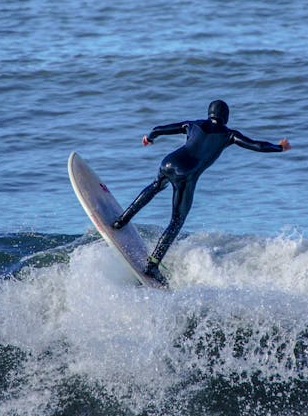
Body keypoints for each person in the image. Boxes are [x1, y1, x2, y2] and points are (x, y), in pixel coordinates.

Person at [113, 100, 291, 283]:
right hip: (186, 174)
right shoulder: (229, 135)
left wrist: (149, 137)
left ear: (209, 113)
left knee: (155, 186)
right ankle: (152, 265)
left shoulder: (192, 124)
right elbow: (257, 145)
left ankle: (121, 221)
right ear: (226, 117)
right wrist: (280, 147)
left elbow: (159, 128)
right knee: (176, 221)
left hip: (169, 161)